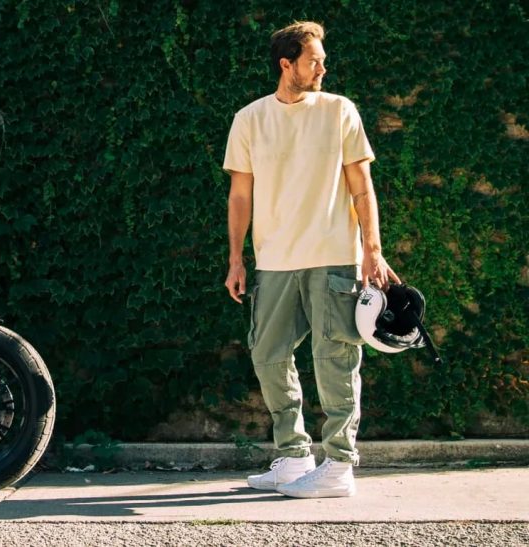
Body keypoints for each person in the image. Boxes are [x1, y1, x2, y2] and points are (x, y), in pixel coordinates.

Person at [222, 21, 400, 498]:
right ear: (287, 65)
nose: (323, 68)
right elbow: (240, 196)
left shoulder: (340, 111)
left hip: (333, 256)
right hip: (274, 260)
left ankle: (339, 465)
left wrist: (373, 249)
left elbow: (362, 187)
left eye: (322, 60)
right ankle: (294, 456)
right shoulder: (250, 119)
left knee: (335, 358)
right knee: (267, 354)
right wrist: (236, 259)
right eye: (313, 61)